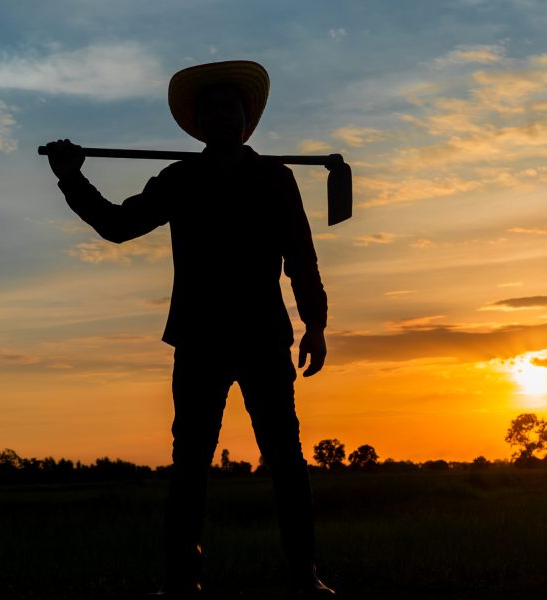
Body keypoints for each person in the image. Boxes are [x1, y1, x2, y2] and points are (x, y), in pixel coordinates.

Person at [44, 60, 335, 598]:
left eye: (232, 109)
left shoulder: (275, 179)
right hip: (199, 339)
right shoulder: (180, 180)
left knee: (287, 459)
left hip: (262, 337)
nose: (224, 117)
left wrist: (314, 323)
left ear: (246, 121)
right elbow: (117, 225)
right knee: (190, 464)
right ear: (198, 125)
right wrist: (71, 176)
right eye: (213, 111)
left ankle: (305, 577)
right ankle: (182, 583)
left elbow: (301, 257)